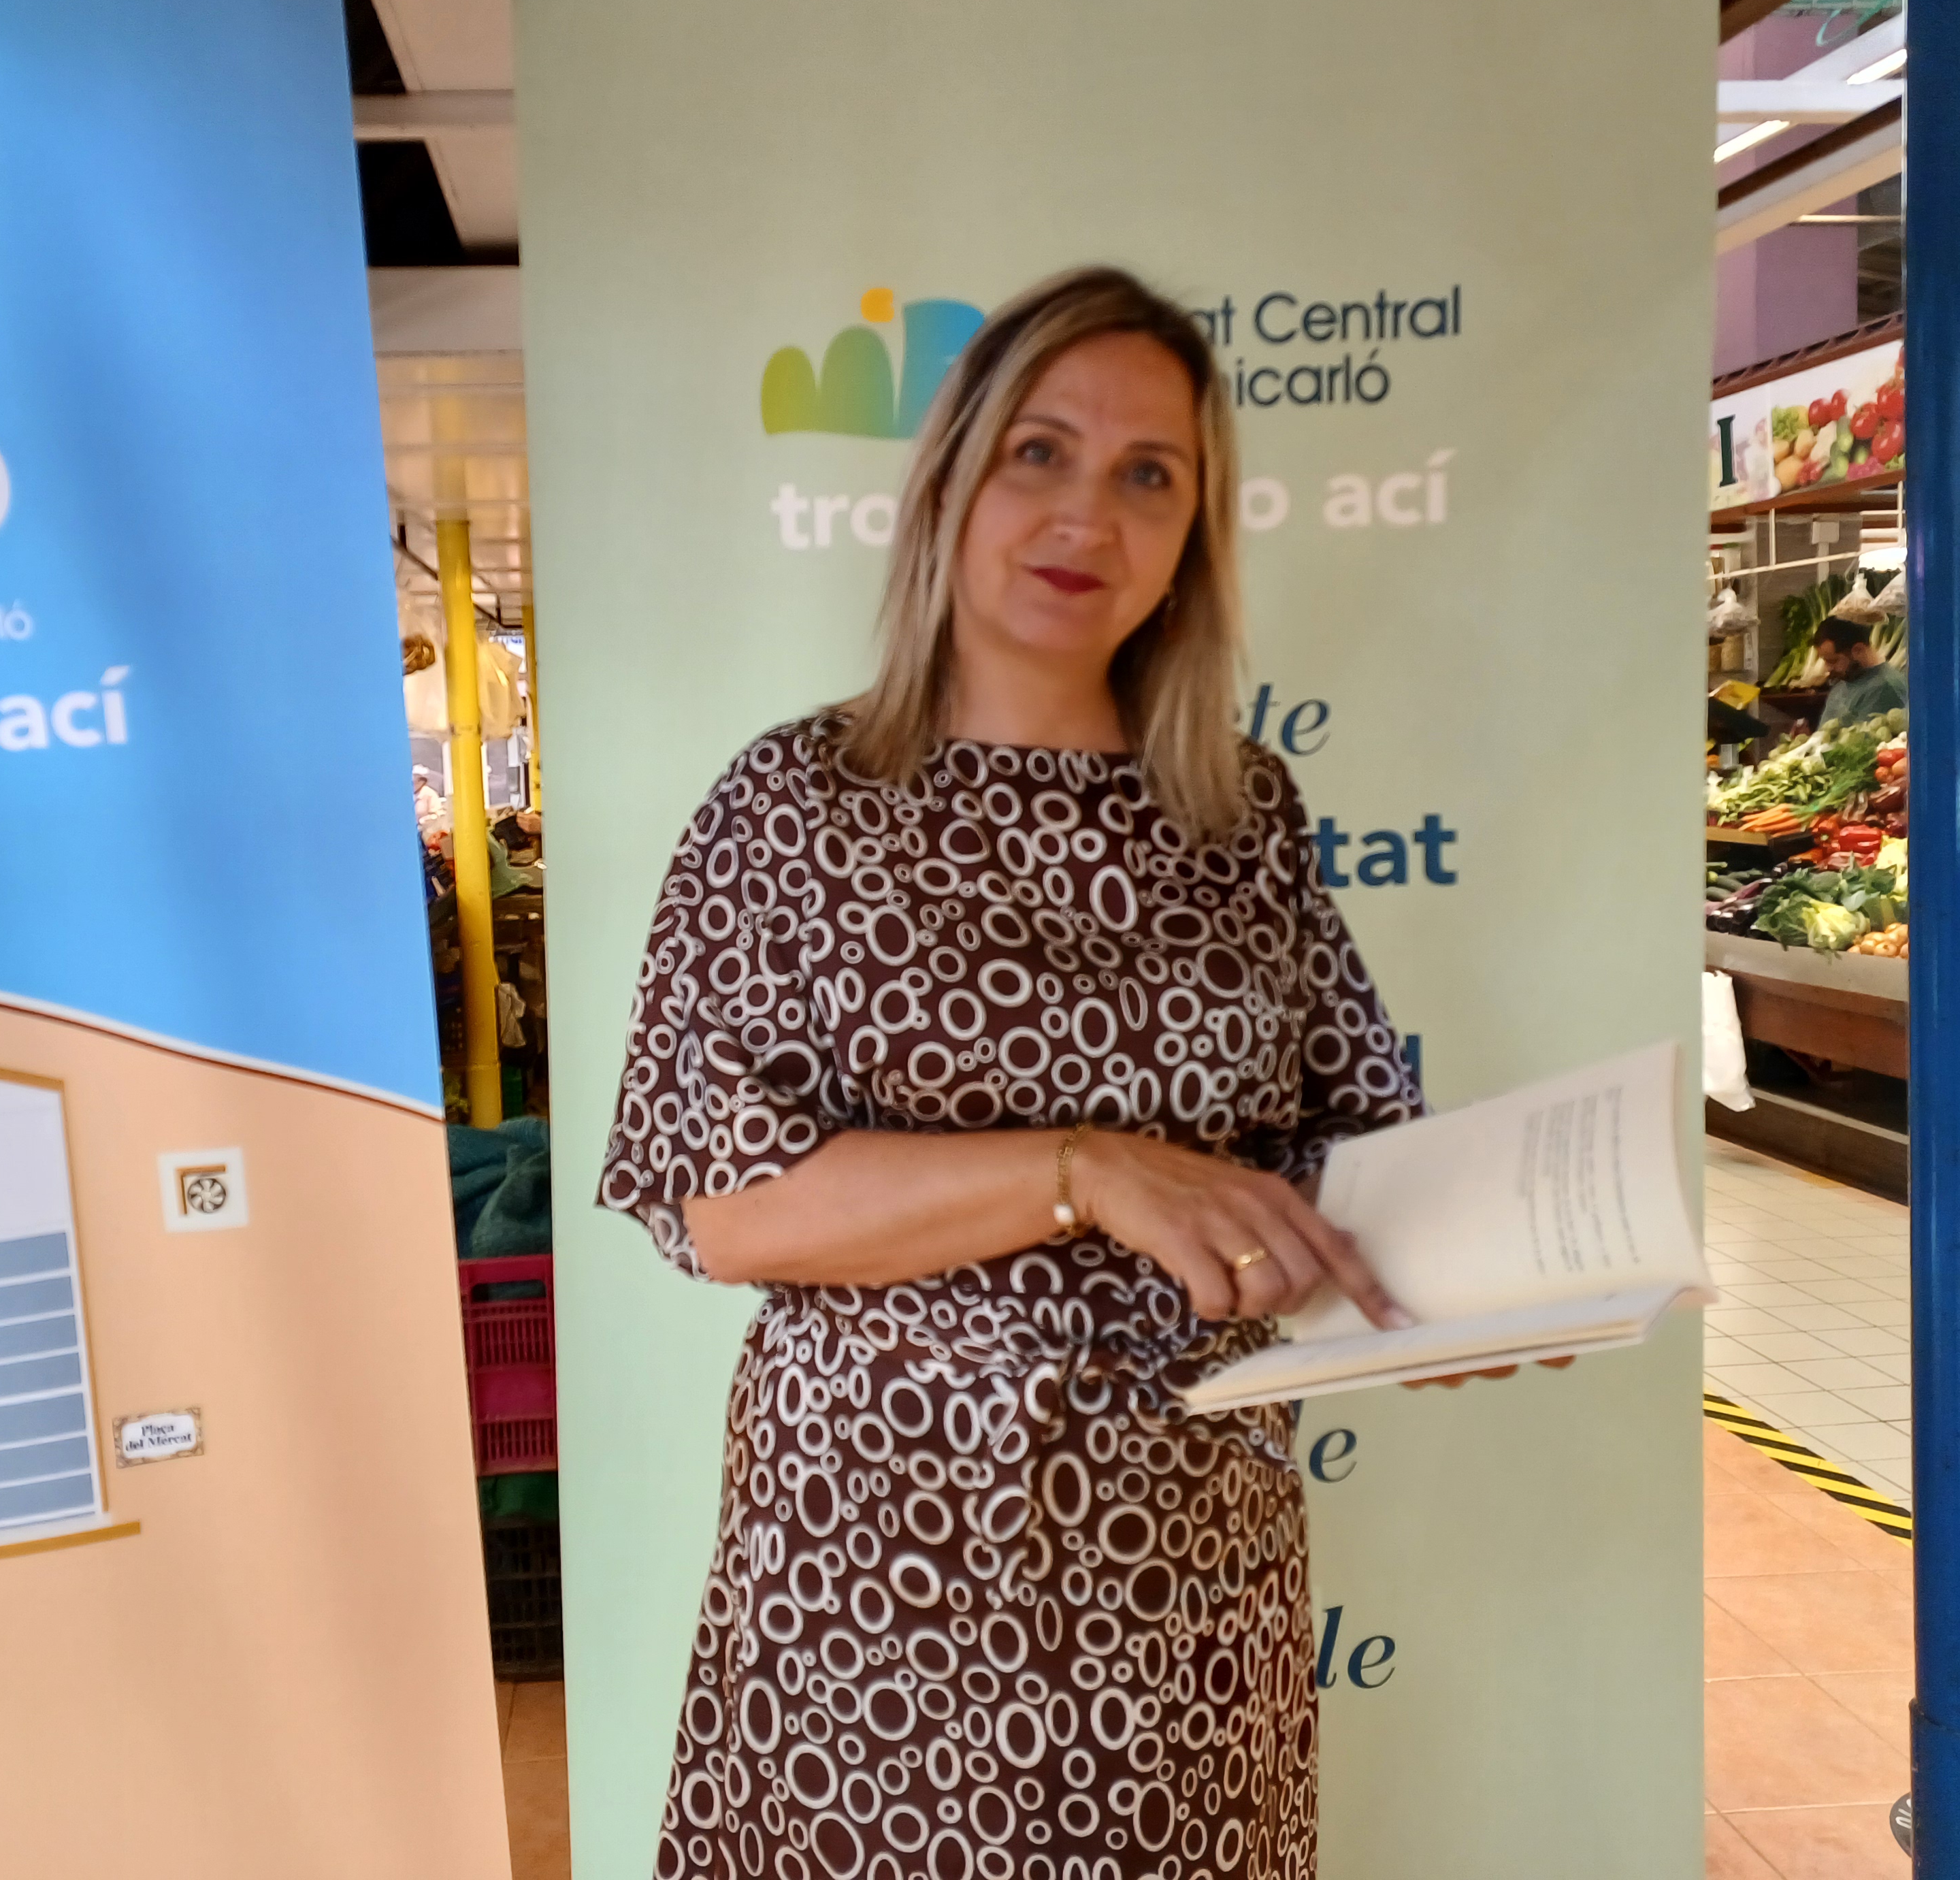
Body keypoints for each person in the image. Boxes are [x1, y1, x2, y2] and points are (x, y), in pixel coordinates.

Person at [600, 265, 1500, 1880]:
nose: (1089, 513)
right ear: (950, 481)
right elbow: (725, 1207)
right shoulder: (796, 802)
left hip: (1186, 1578)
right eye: (1040, 452)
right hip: (874, 1581)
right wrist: (1085, 1170)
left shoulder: (1240, 816)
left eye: (1148, 474)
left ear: (1192, 534)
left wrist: (1464, 1283)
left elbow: (1344, 1144)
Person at [1812, 617, 1906, 726]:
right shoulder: (1845, 682)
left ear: (1858, 650)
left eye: (1833, 661)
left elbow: (1865, 736)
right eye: (1825, 661)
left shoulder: (1884, 689)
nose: (1828, 668)